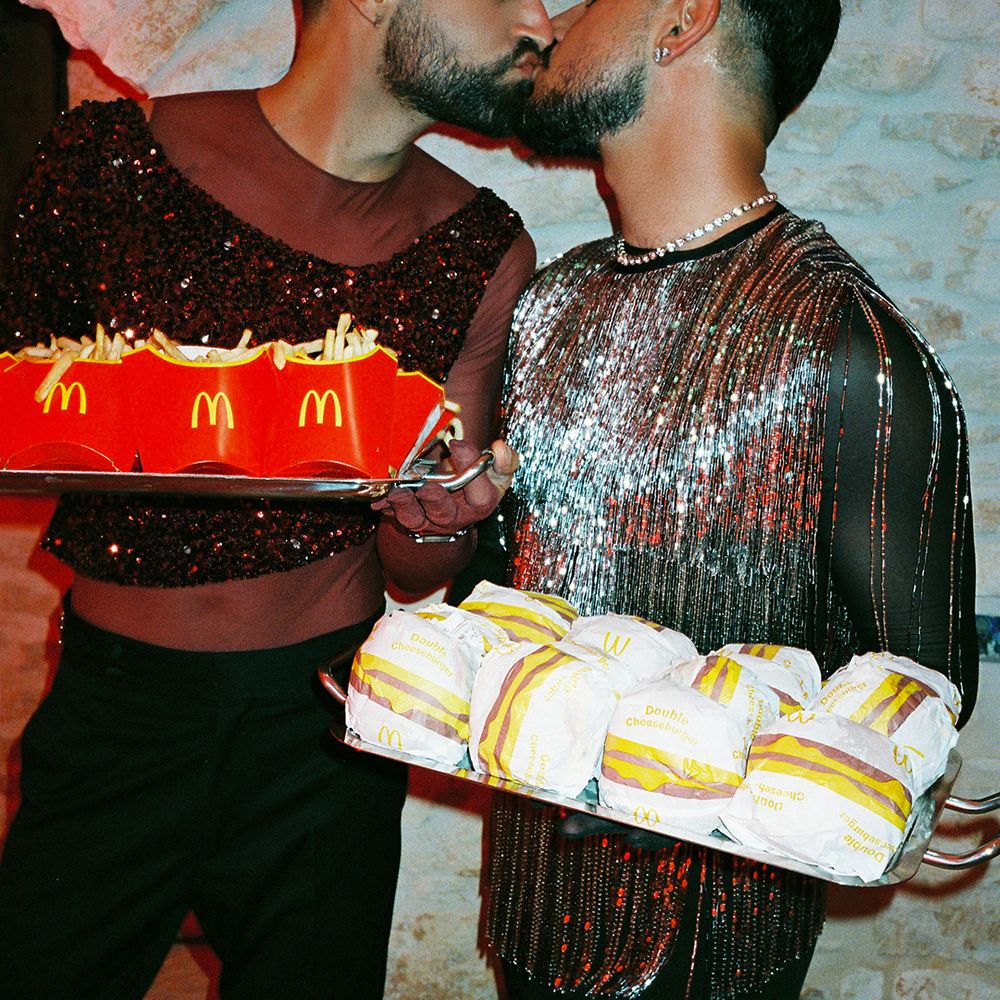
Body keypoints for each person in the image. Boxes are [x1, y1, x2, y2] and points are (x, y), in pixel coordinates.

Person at [0, 0, 552, 997]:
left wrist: (431, 524)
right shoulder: (106, 164)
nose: (541, 23)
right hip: (113, 715)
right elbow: (23, 408)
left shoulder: (483, 247)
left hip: (326, 738)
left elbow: (418, 567)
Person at [483, 1, 979, 998]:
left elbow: (916, 701)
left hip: (708, 954)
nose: (554, 16)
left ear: (680, 18)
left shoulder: (845, 344)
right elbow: (509, 598)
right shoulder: (549, 304)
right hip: (527, 914)